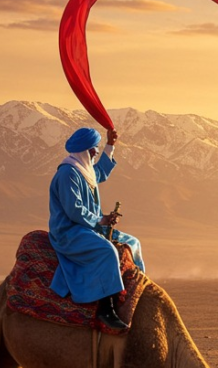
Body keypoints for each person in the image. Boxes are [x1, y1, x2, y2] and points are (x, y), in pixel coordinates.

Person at [48, 126, 145, 330]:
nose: (95, 152)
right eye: (93, 149)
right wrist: (100, 220)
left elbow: (99, 173)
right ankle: (106, 308)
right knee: (107, 251)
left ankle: (139, 293)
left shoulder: (84, 170)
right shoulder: (68, 174)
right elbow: (74, 210)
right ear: (84, 150)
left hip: (89, 226)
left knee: (133, 243)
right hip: (69, 231)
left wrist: (110, 145)